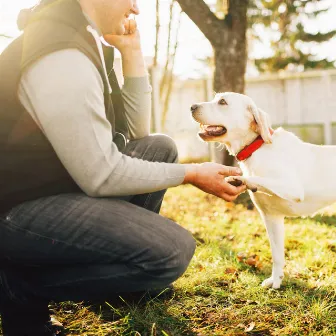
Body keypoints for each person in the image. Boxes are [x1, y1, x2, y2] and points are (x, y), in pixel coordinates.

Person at [0, 0, 246, 335]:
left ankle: (111, 287)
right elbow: (101, 174)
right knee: (172, 251)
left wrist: (132, 53)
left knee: (159, 148)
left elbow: (137, 136)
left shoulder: (84, 39)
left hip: (58, 186)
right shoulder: (60, 52)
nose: (136, 8)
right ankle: (20, 289)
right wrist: (191, 174)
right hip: (15, 210)